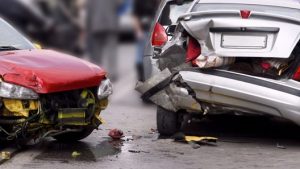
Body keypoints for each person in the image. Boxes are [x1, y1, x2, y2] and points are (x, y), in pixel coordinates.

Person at [86, 0, 120, 81]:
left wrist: (88, 27)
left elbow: (89, 11)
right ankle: (113, 73)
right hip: (111, 24)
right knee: (111, 51)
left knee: (97, 52)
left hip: (96, 25)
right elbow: (118, 4)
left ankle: (97, 74)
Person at [133, 0, 161, 81]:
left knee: (151, 57)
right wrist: (138, 31)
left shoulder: (157, 2)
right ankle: (141, 79)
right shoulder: (140, 2)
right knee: (140, 56)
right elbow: (135, 16)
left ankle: (147, 77)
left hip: (156, 31)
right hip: (144, 32)